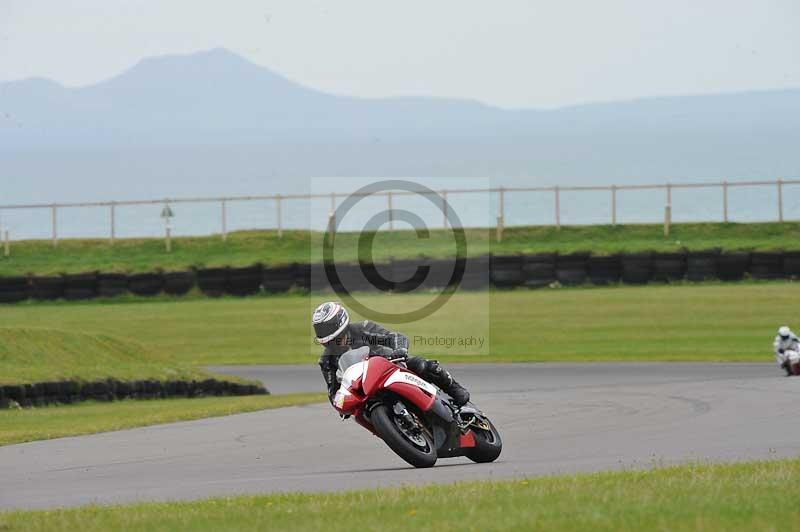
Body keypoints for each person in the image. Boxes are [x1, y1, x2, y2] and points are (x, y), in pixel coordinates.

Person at [313, 301, 471, 406]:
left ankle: (454, 389)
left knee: (421, 365)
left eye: (326, 328)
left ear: (340, 322)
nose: (323, 333)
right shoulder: (326, 361)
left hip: (390, 366)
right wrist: (343, 402)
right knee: (360, 413)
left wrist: (399, 350)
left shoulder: (361, 329)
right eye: (319, 330)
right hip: (364, 389)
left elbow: (395, 337)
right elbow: (333, 392)